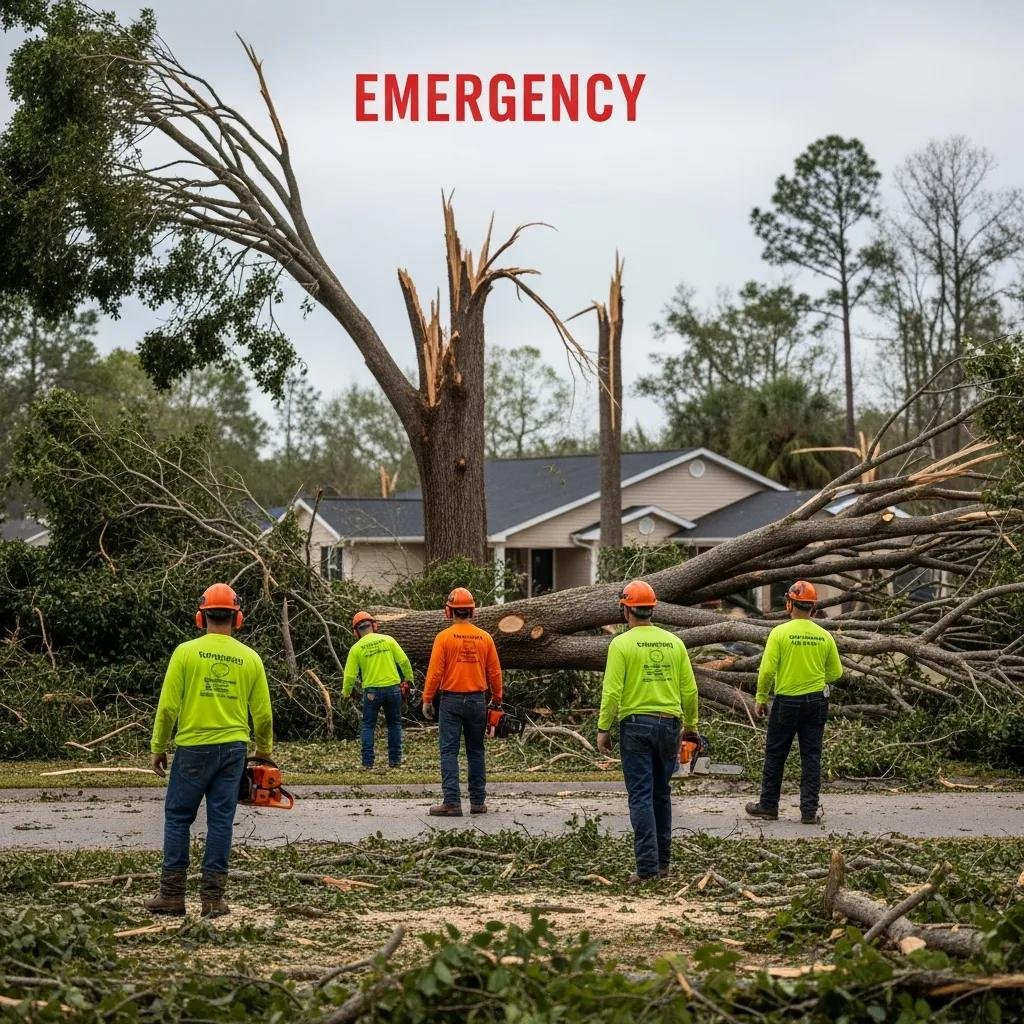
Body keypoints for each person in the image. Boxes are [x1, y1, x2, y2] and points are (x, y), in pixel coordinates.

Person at [146, 583, 273, 918]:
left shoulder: (185, 653)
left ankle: (172, 896)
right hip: (234, 749)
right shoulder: (250, 658)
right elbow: (262, 714)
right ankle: (213, 900)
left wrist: (158, 747)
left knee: (177, 817)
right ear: (238, 618)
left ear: (200, 617)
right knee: (220, 822)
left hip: (193, 748)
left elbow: (167, 708)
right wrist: (264, 752)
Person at [596, 580, 699, 884]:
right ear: (652, 610)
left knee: (641, 795)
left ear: (625, 610)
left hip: (636, 725)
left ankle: (646, 870)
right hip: (669, 724)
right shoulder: (674, 642)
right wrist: (691, 728)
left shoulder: (621, 643)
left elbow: (612, 692)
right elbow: (690, 691)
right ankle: (663, 864)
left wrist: (604, 727)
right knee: (661, 794)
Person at [746, 580, 843, 825]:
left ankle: (768, 806)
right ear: (813, 607)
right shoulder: (824, 636)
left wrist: (760, 698)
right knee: (811, 756)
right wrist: (815, 676)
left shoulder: (779, 633)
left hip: (786, 701)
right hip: (816, 702)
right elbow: (836, 673)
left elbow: (767, 671)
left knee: (776, 754)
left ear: (790, 604)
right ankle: (809, 811)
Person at [421, 587, 502, 817]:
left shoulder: (444, 638)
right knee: (476, 751)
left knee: (449, 751)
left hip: (451, 701)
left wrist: (427, 698)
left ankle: (452, 803)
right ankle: (477, 802)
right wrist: (497, 698)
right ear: (472, 611)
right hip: (478, 700)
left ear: (449, 611)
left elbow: (435, 672)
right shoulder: (485, 637)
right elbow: (494, 672)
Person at [343, 610, 415, 769]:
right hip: (393, 689)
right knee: (394, 724)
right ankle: (395, 761)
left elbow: (349, 676)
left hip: (371, 693)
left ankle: (368, 763)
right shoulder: (388, 640)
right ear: (374, 625)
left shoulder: (356, 649)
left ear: (356, 632)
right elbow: (404, 661)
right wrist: (409, 681)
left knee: (368, 726)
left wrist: (346, 693)